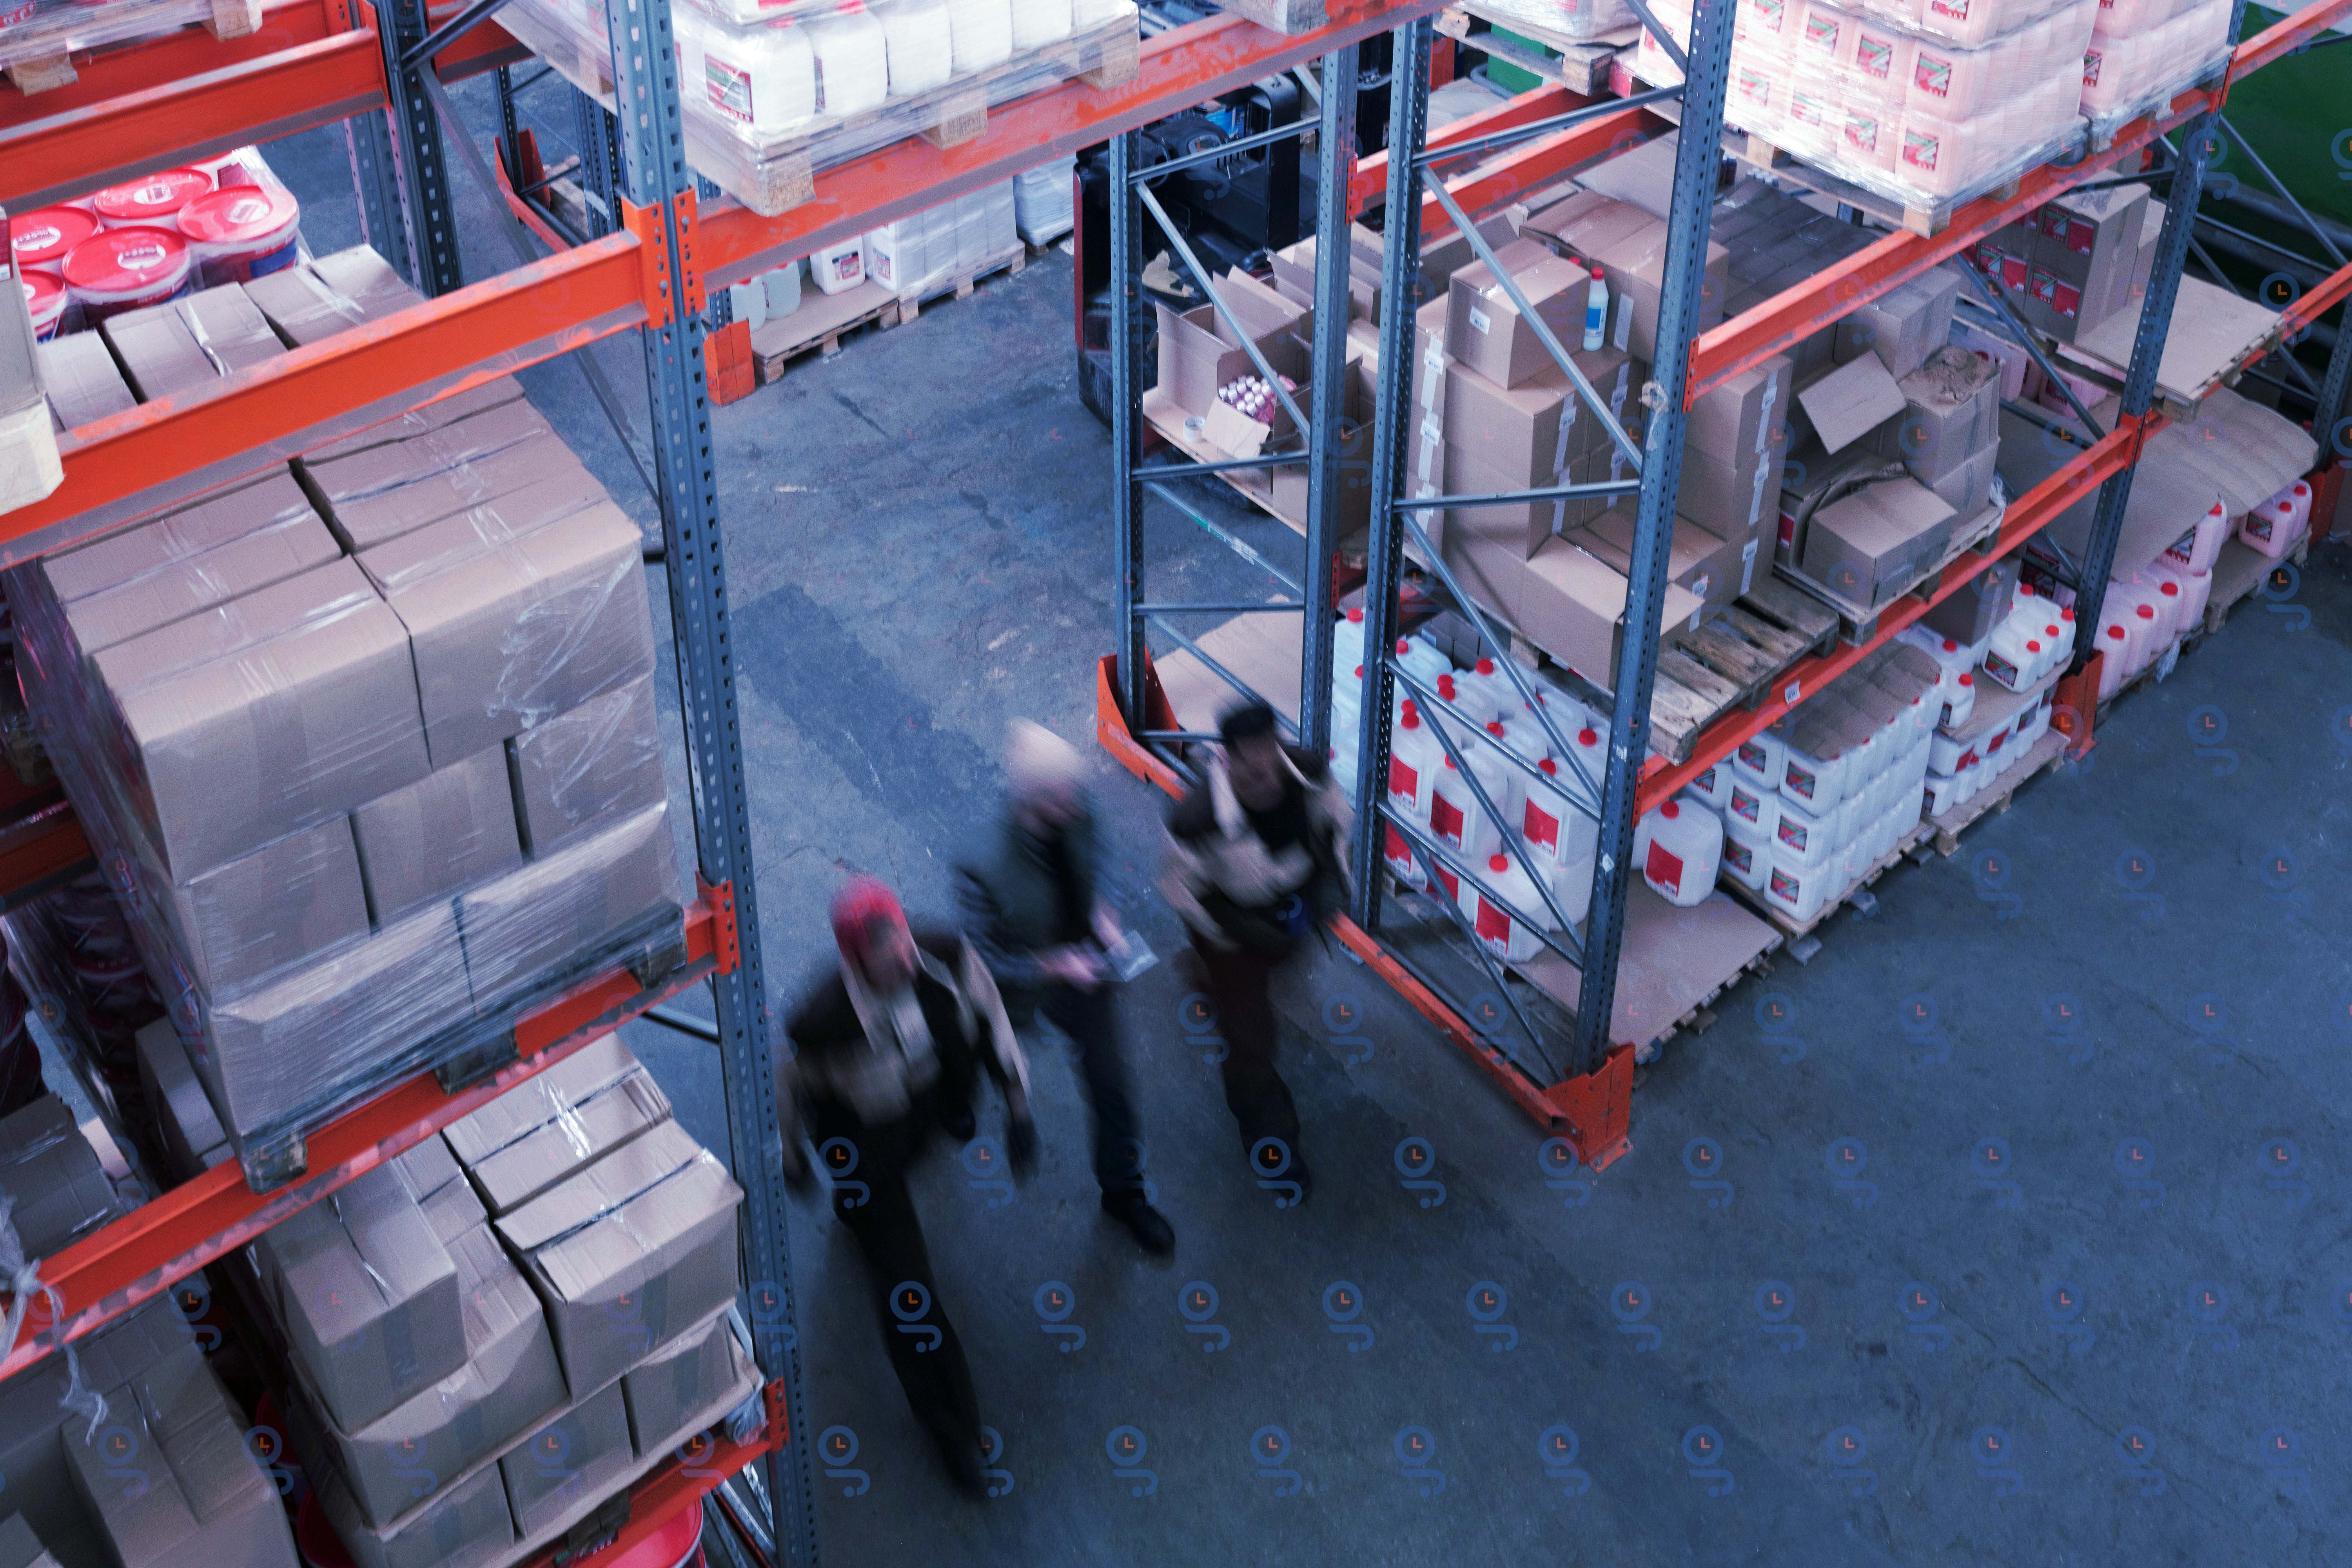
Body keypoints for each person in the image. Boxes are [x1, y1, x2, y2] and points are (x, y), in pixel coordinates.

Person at [777, 877, 1036, 1497]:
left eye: (904, 946)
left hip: (928, 1103)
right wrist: (794, 1159)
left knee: (949, 1083)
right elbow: (788, 1089)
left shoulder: (942, 954)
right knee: (906, 1289)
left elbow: (992, 1017)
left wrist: (1019, 1107)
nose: (903, 961)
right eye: (885, 957)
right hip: (868, 1145)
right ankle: (952, 1428)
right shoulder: (822, 1024)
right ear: (854, 961)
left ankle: (872, 1195)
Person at [955, 721, 1175, 1257]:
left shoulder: (1077, 811)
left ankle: (1124, 1194)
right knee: (975, 1053)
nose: (1075, 801)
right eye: (1060, 795)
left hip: (1084, 974)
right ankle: (955, 1101)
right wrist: (1051, 966)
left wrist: (1103, 910)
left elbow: (1099, 862)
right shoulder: (979, 862)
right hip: (1020, 990)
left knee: (1112, 1090)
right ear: (1030, 800)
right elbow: (983, 961)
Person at [1160, 700, 1352, 1201]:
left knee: (1275, 974)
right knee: (1250, 1044)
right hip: (1232, 929)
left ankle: (1208, 980)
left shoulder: (1305, 770)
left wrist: (1334, 879)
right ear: (1228, 761)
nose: (1268, 778)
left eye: (1272, 758)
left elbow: (1337, 818)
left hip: (1292, 915)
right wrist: (1226, 937)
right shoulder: (1196, 819)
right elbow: (1180, 889)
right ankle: (1271, 1144)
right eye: (1252, 769)